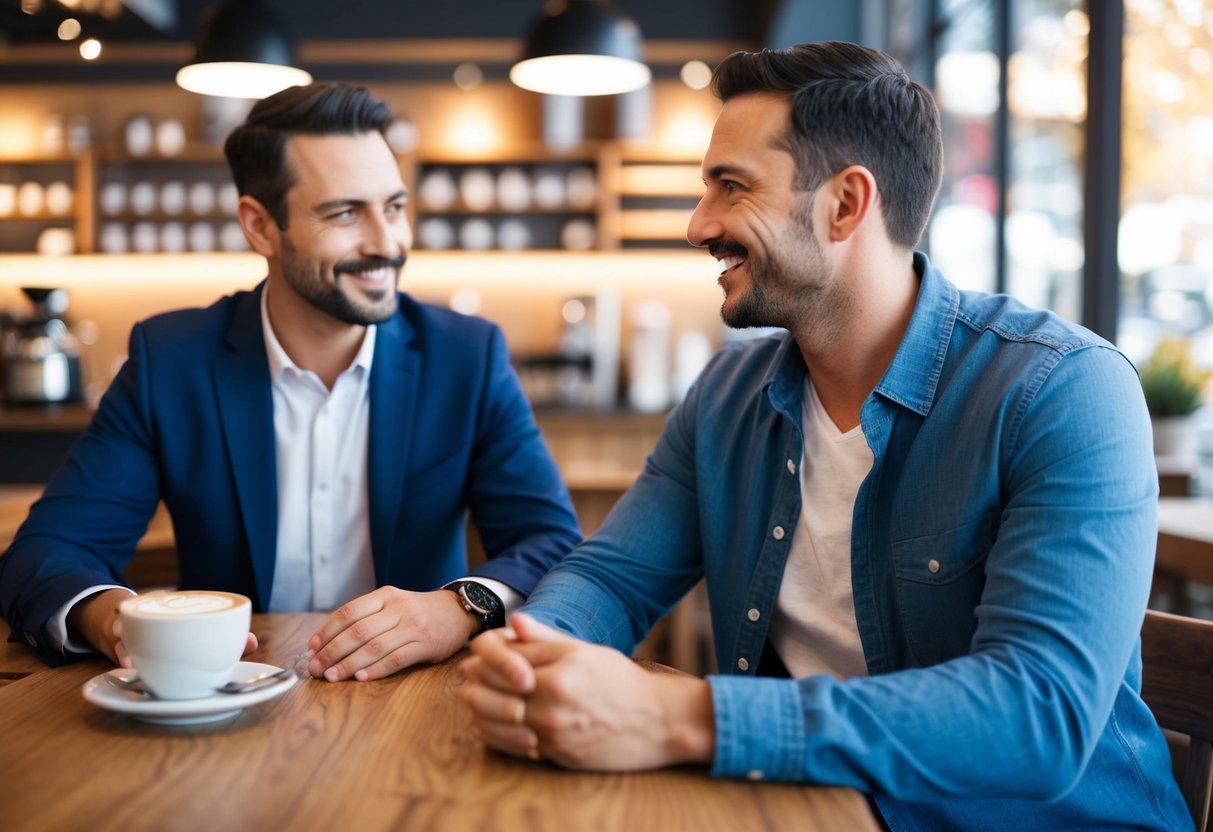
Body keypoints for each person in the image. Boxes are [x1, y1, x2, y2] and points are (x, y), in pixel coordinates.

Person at [459, 41, 1191, 830]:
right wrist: (538, 651)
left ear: (844, 205)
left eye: (730, 187)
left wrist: (684, 716)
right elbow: (612, 577)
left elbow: (1037, 716)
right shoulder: (726, 396)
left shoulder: (1061, 388)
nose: (697, 225)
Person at [0, 83, 581, 683]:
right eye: (345, 212)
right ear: (260, 226)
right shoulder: (171, 362)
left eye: (395, 207)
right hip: (225, 707)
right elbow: (44, 556)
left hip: (415, 704)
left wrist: (459, 606)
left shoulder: (466, 357)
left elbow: (554, 543)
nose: (388, 243)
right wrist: (114, 620)